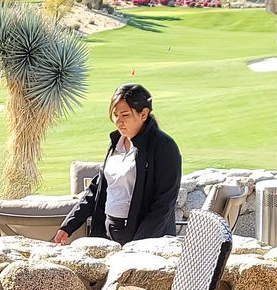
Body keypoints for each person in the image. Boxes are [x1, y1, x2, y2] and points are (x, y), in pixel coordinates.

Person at [53, 83, 181, 246]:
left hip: (144, 236)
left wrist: (137, 245)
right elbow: (98, 188)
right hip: (108, 230)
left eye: (125, 115)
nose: (118, 121)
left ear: (143, 114)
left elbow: (164, 204)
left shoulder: (164, 146)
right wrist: (68, 225)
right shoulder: (116, 143)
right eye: (115, 115)